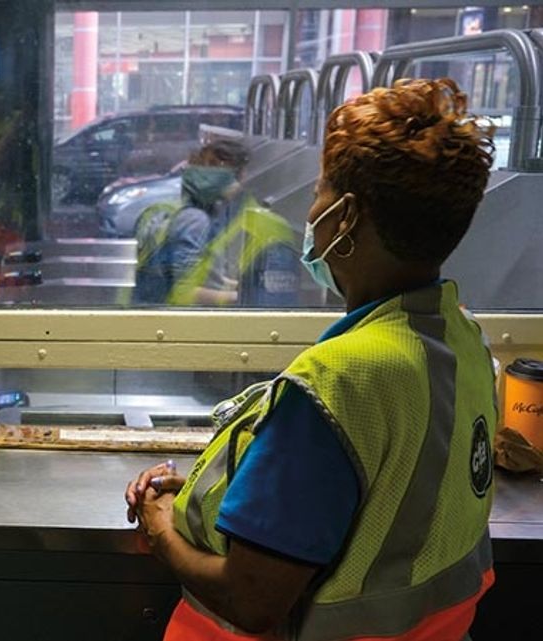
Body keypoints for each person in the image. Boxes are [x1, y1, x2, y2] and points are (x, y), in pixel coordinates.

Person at [125, 77, 497, 640]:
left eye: (321, 189)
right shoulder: (461, 340)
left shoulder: (338, 384)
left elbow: (250, 600)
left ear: (344, 217)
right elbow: (381, 509)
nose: (310, 205)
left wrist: (160, 530)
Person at [132, 139, 296, 307]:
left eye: (215, 165)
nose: (204, 172)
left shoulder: (258, 226)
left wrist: (237, 292)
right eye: (201, 165)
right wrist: (239, 295)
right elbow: (185, 290)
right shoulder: (194, 217)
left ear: (239, 175)